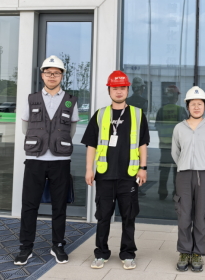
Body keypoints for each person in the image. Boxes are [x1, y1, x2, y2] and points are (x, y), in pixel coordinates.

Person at [15, 55, 79, 266]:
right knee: (29, 204)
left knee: (59, 205)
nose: (52, 76)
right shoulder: (31, 98)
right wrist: (40, 141)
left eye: (56, 73)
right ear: (42, 75)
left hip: (61, 160)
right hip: (35, 159)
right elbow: (25, 127)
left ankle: (58, 245)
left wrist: (57, 143)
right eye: (48, 72)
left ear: (62, 76)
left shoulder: (70, 100)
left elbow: (71, 129)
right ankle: (26, 247)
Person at [82, 70, 149, 270]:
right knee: (103, 216)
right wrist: (89, 169)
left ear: (127, 90)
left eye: (122, 88)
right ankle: (101, 253)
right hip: (104, 175)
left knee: (129, 216)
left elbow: (142, 144)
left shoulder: (137, 114)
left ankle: (128, 254)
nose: (118, 91)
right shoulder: (100, 114)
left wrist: (143, 168)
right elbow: (91, 144)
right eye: (114, 88)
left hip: (129, 175)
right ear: (109, 90)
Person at [172, 86, 205, 273]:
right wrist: (185, 165)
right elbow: (175, 152)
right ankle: (185, 252)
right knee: (184, 215)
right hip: (184, 174)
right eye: (193, 104)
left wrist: (204, 164)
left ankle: (198, 253)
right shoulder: (179, 128)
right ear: (187, 106)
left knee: (201, 215)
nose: (197, 107)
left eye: (200, 104)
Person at [155, 85, 188, 200]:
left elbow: (158, 127)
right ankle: (176, 193)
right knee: (177, 171)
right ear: (176, 97)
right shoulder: (181, 111)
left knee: (164, 170)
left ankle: (162, 192)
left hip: (164, 146)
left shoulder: (161, 111)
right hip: (177, 147)